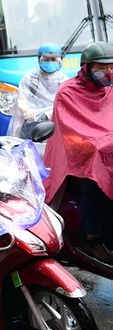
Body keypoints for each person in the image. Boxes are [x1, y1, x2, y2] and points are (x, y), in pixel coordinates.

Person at [43, 41, 113, 263]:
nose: (108, 72)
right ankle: (92, 239)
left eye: (112, 67)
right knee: (94, 175)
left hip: (107, 149)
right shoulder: (68, 92)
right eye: (102, 67)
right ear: (86, 67)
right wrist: (98, 144)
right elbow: (72, 131)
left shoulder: (110, 89)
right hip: (78, 156)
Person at [7, 42, 68, 139]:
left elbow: (67, 104)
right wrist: (27, 111)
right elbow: (21, 102)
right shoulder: (30, 79)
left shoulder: (64, 82)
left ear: (60, 61)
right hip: (34, 126)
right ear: (39, 59)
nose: (50, 62)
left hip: (57, 126)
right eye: (46, 60)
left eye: (53, 60)